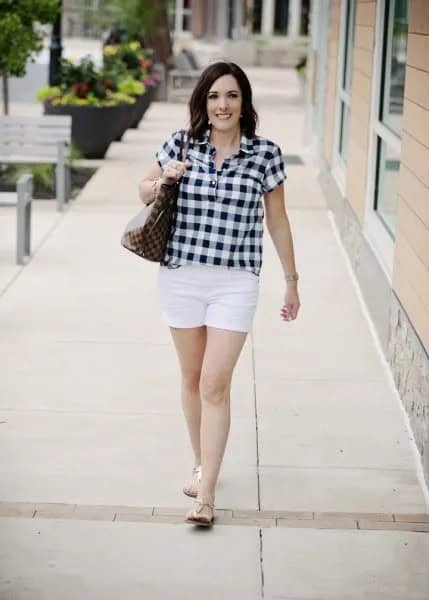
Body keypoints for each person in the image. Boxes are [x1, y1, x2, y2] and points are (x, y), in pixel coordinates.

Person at [139, 61, 300, 527]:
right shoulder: (180, 143)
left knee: (215, 383)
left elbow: (278, 220)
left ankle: (205, 494)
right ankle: (200, 461)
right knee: (191, 378)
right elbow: (142, 190)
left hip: (235, 281)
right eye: (213, 96)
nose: (222, 105)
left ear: (244, 102)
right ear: (203, 103)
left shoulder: (265, 154)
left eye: (231, 95)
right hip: (181, 276)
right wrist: (164, 178)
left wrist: (292, 280)